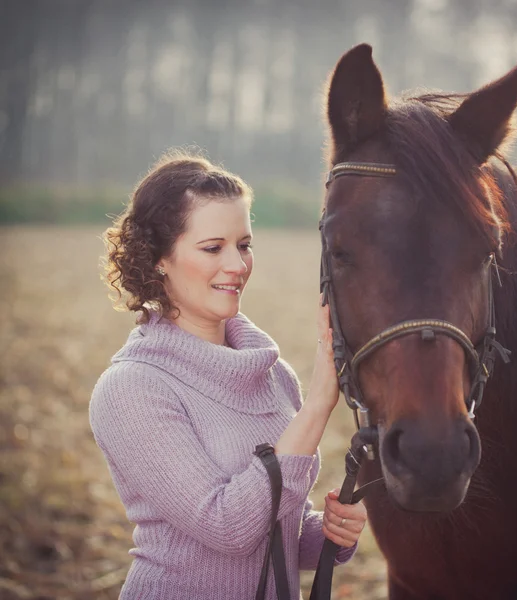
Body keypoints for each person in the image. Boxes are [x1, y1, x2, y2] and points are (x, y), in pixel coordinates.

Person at [89, 150, 367, 599]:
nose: (237, 266)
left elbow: (278, 536)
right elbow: (227, 528)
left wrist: (330, 533)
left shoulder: (274, 375)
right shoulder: (132, 388)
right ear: (160, 257)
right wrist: (319, 404)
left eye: (245, 244)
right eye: (213, 248)